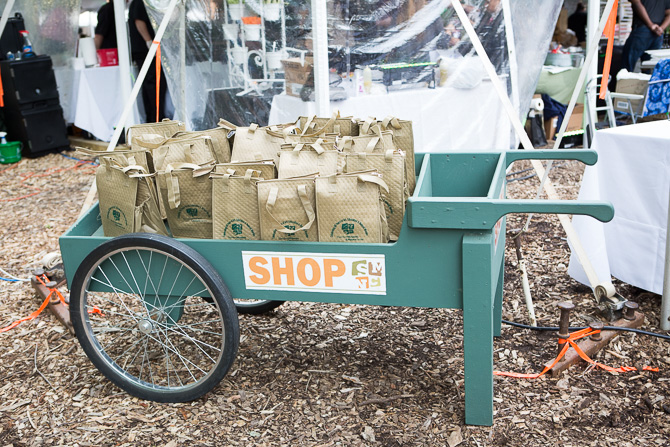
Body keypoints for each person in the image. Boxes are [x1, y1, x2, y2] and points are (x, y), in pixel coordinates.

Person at [128, 0, 168, 123]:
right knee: (153, 84)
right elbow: (139, 21)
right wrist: (150, 42)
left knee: (151, 85)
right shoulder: (140, 2)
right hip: (146, 51)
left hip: (145, 50)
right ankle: (156, 118)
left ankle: (153, 118)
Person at [621, 0, 670, 72]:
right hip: (658, 33)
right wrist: (661, 28)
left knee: (626, 67)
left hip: (642, 29)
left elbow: (636, 3)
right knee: (649, 67)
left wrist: (651, 25)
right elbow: (669, 13)